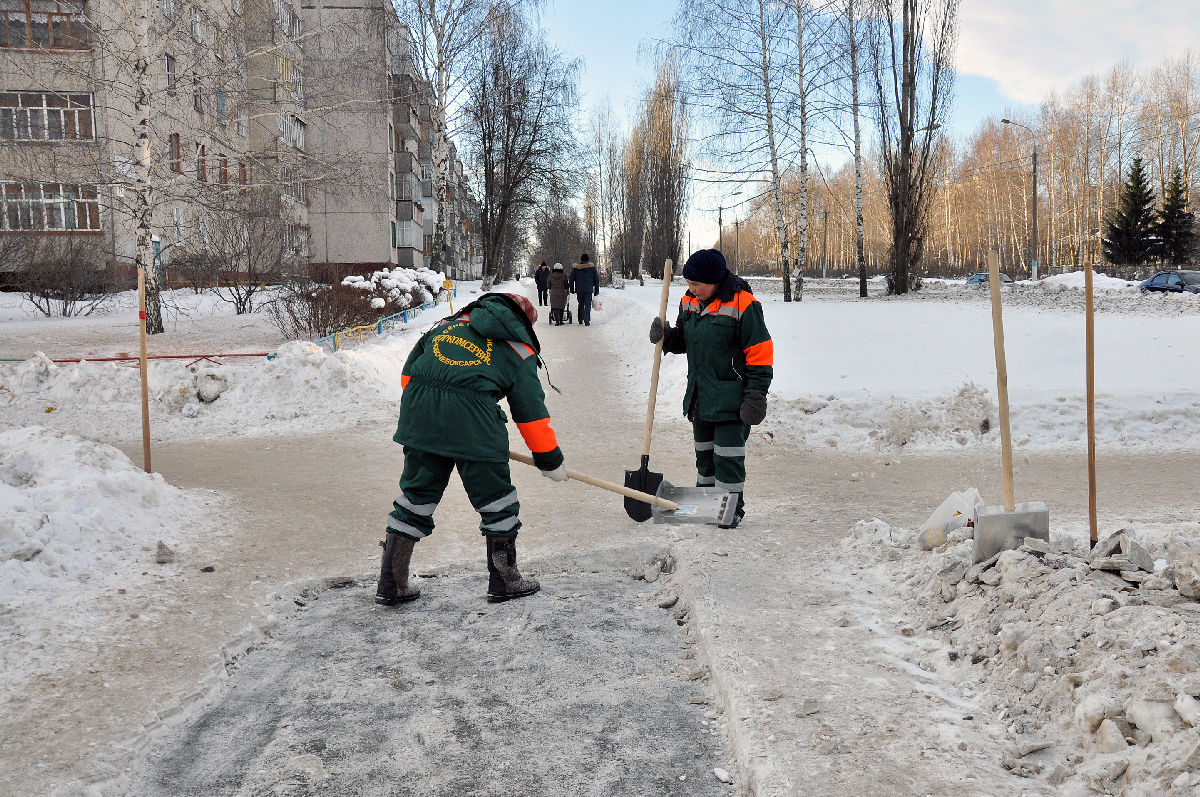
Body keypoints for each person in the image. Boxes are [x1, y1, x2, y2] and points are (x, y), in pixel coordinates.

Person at [377, 292, 567, 605]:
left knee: (416, 497)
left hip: (420, 417)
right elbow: (530, 413)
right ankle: (506, 579)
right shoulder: (519, 349)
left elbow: (409, 376)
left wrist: (435, 423)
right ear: (524, 324)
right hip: (475, 424)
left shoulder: (445, 327)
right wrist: (548, 459)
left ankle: (392, 582)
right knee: (497, 501)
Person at [648, 249, 773, 529]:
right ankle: (706, 504)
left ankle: (730, 510)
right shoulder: (688, 302)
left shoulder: (744, 305)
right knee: (704, 457)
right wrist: (667, 336)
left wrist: (756, 394)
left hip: (732, 400)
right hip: (700, 397)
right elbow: (685, 340)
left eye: (697, 284)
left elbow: (760, 354)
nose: (692, 289)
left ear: (714, 281)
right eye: (689, 283)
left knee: (727, 460)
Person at [569, 252, 600, 326]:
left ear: (581, 259)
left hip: (579, 289)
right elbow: (596, 279)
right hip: (588, 290)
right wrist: (596, 290)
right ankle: (587, 321)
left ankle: (580, 319)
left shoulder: (576, 268)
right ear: (588, 259)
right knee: (587, 305)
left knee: (581, 304)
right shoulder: (592, 268)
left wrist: (572, 289)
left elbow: (571, 279)